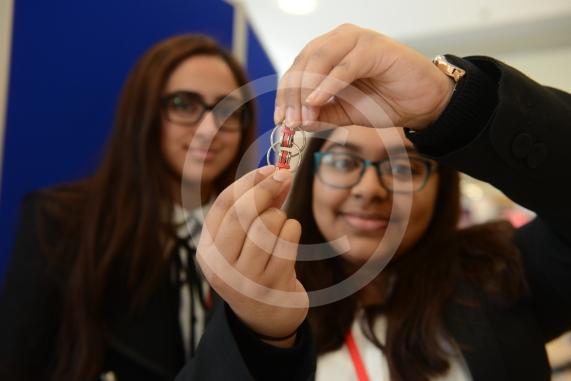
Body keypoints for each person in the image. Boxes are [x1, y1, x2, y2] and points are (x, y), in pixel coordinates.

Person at [175, 24, 571, 381]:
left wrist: (449, 102)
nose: (368, 189)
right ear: (310, 177)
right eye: (345, 161)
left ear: (442, 188)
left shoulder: (504, 276)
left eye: (405, 168)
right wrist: (262, 339)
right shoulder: (256, 303)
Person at [0, 34, 256, 381]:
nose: (210, 129)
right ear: (146, 112)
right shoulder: (61, 223)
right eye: (184, 104)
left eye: (229, 110)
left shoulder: (252, 237)